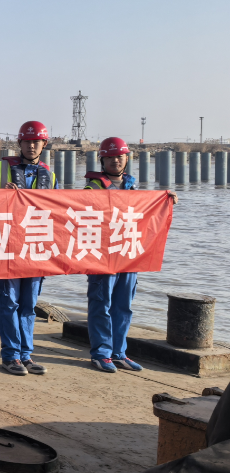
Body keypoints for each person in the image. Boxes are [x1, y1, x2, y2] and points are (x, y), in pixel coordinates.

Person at [84, 137, 177, 374]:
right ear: (102, 160)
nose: (115, 161)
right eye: (110, 157)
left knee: (123, 306)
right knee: (101, 304)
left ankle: (119, 353)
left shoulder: (132, 187)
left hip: (127, 254)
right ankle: (101, 354)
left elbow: (146, 214)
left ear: (127, 159)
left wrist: (166, 200)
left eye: (119, 156)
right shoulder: (93, 187)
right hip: (102, 257)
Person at [0, 120, 60, 377]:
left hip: (36, 248)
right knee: (8, 303)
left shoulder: (50, 176)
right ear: (20, 143)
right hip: (7, 247)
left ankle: (26, 355)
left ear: (44, 144)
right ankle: (10, 356)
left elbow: (60, 211)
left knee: (28, 305)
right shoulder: (0, 169)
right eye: (27, 141)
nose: (31, 146)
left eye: (36, 142)